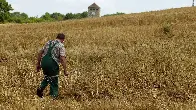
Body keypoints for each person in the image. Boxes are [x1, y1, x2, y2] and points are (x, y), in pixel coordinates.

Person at [36, 33, 68, 99]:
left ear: (56, 37)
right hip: (52, 63)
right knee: (54, 80)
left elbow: (40, 52)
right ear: (63, 40)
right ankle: (54, 96)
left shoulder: (48, 42)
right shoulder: (61, 45)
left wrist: (38, 64)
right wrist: (65, 70)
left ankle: (40, 88)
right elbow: (62, 58)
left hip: (44, 62)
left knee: (47, 77)